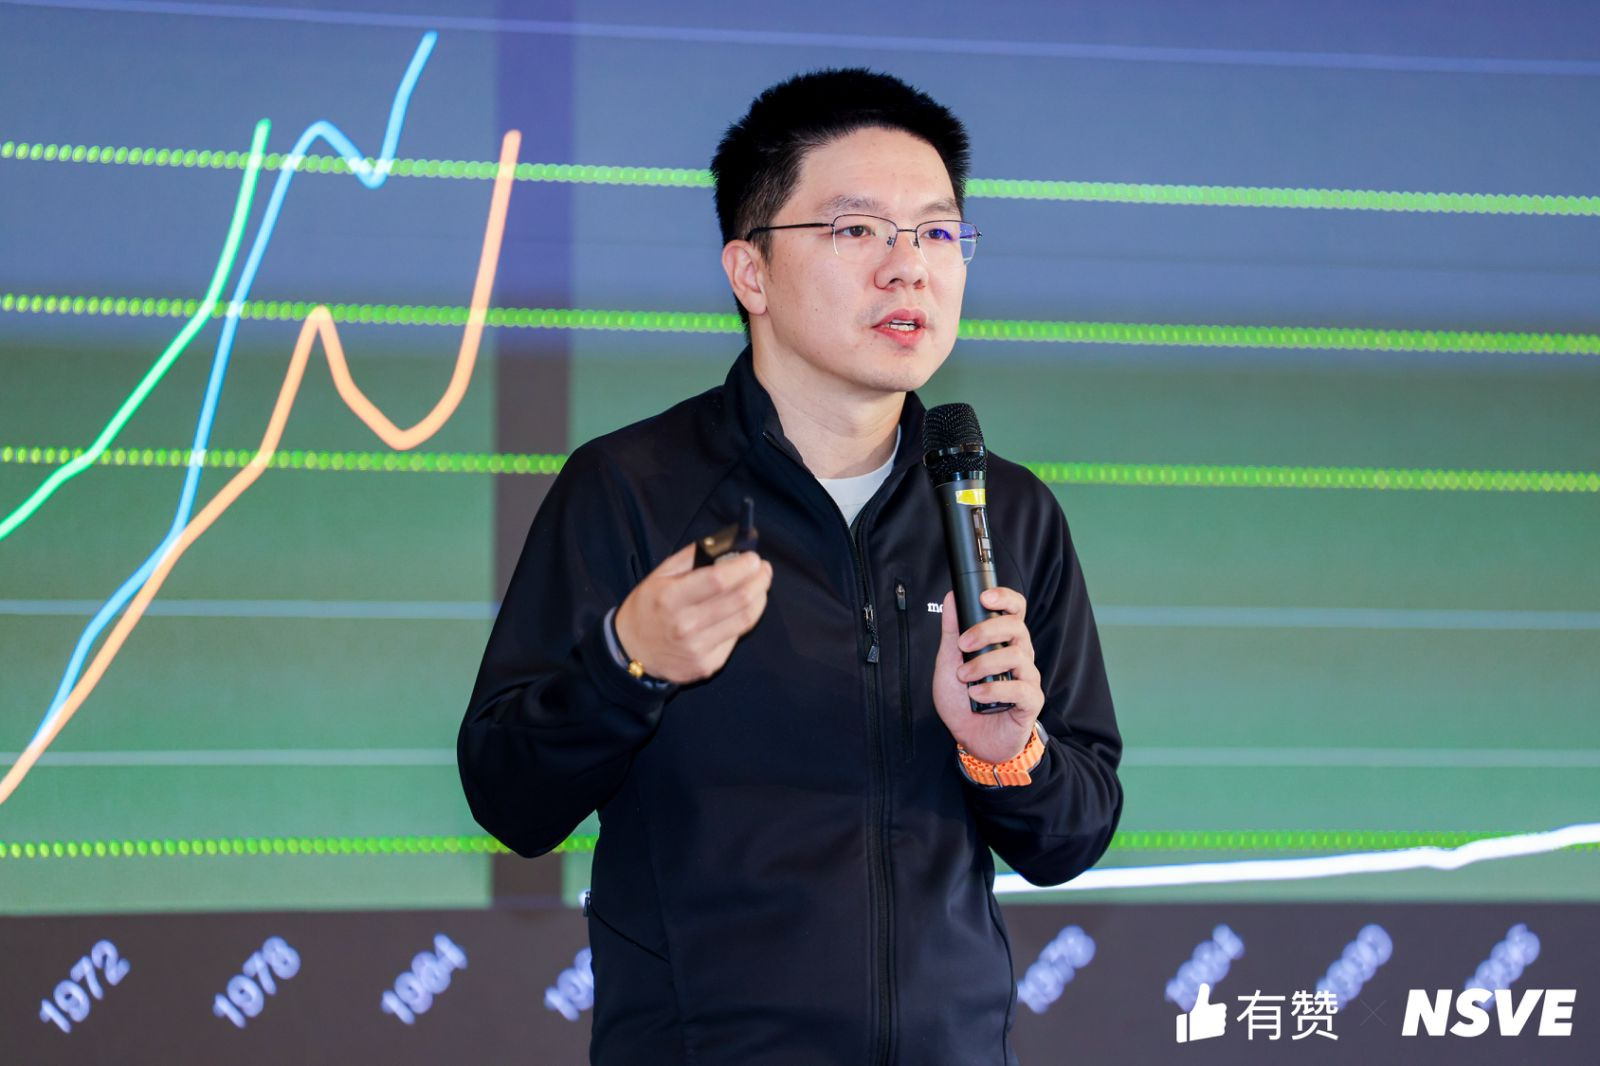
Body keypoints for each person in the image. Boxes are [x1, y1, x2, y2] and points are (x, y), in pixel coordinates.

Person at [458, 68, 1123, 1065]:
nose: (910, 269)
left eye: (938, 233)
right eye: (857, 230)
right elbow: (511, 799)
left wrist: (1005, 752)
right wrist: (627, 665)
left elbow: (1072, 835)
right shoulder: (634, 490)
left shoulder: (1000, 507)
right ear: (751, 273)